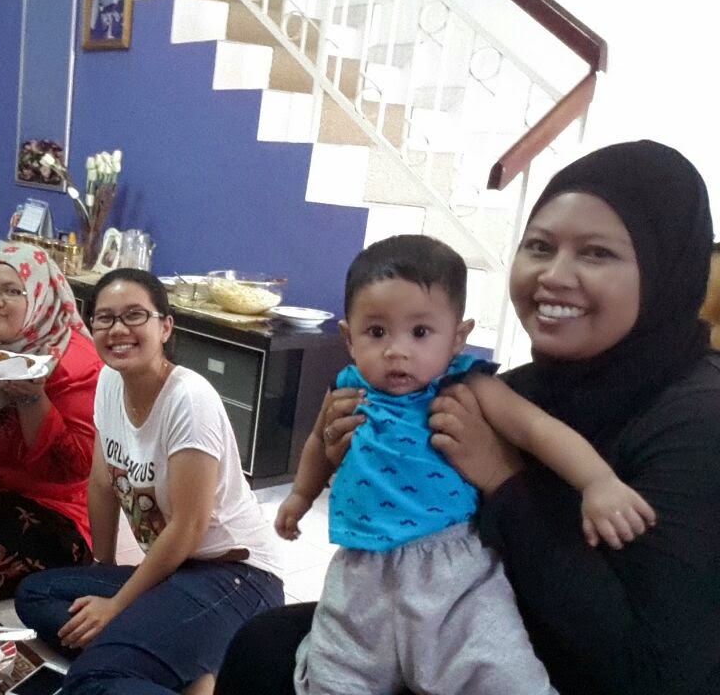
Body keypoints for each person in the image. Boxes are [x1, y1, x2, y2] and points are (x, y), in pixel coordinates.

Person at [216, 140, 720, 695]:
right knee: (264, 646)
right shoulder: (516, 386)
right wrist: (349, 456)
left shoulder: (698, 422)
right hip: (450, 617)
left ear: (666, 270)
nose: (554, 275)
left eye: (597, 253)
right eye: (539, 246)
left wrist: (503, 479)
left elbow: (657, 670)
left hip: (571, 669)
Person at [275, 234, 654, 694]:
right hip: (359, 570)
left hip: (454, 573)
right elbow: (318, 442)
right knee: (334, 677)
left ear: (458, 337)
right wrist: (300, 495)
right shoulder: (347, 387)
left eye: (420, 333)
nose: (397, 350)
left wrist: (597, 481)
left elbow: (536, 429)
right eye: (376, 332)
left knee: (500, 675)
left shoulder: (466, 386)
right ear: (348, 337)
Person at [15, 268, 284, 695]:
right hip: (172, 571)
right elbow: (102, 482)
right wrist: (103, 567)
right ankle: (187, 669)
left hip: (235, 576)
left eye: (134, 315)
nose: (118, 329)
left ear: (165, 326)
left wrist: (116, 605)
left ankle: (143, 661)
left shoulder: (189, 399)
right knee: (37, 593)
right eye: (105, 318)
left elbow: (189, 526)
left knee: (94, 681)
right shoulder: (110, 381)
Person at [0, 243, 101, 603]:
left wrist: (31, 400)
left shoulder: (74, 361)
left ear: (41, 298)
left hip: (47, 503)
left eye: (12, 291)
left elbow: (73, 468)